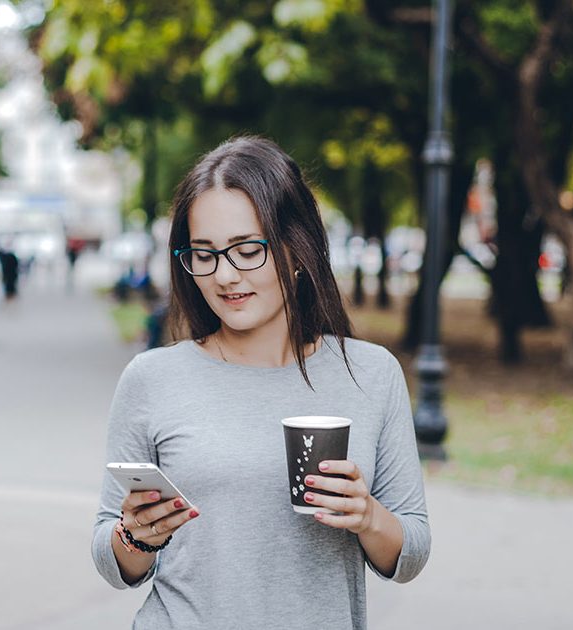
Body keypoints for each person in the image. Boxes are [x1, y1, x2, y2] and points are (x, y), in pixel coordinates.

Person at [92, 136, 430, 629]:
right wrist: (137, 536)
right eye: (204, 254)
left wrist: (368, 517)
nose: (225, 276)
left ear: (297, 249)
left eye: (246, 250)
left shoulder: (372, 374)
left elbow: (411, 552)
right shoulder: (153, 379)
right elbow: (112, 558)